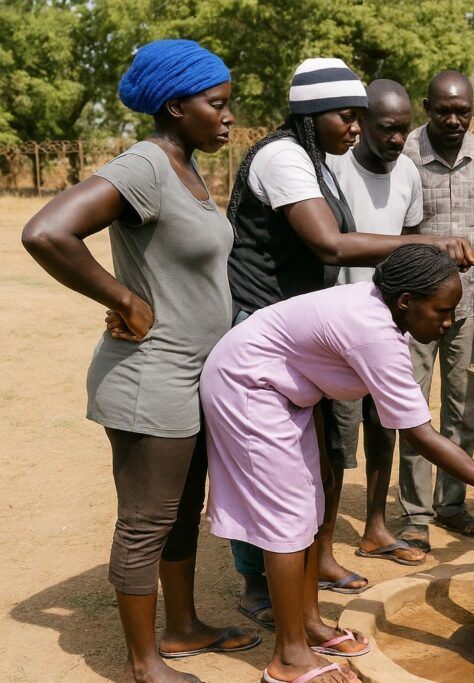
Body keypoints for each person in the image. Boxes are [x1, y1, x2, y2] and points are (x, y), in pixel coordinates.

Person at [201, 245, 474, 683]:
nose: (448, 322)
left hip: (286, 390)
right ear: (406, 301)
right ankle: (289, 658)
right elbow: (422, 435)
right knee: (287, 517)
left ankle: (310, 625)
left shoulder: (381, 311)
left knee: (313, 499)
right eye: (442, 311)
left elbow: (306, 361)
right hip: (247, 386)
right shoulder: (372, 332)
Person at [21, 39, 258, 683]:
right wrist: (124, 298)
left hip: (193, 376)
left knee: (181, 512)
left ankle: (182, 628)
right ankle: (144, 664)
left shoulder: (185, 168)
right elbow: (46, 232)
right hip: (151, 377)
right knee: (146, 523)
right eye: (217, 104)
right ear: (176, 107)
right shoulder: (146, 165)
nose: (229, 116)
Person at [225, 59, 472, 631]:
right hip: (264, 331)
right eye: (347, 116)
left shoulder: (316, 161)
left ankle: (305, 573)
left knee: (310, 469)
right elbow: (329, 245)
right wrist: (427, 244)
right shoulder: (283, 157)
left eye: (360, 117)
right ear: (311, 115)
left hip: (298, 334)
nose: (357, 129)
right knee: (271, 470)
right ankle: (258, 584)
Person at [321, 79, 427, 567]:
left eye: (404, 129)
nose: (398, 139)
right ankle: (322, 546)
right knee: (335, 442)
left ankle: (376, 529)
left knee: (385, 427)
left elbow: (408, 246)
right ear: (362, 124)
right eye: (387, 129)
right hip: (339, 331)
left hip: (388, 329)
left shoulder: (408, 173)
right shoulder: (334, 169)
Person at [398, 70, 474, 551]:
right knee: (411, 406)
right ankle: (415, 513)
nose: (454, 121)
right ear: (427, 106)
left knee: (462, 408)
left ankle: (451, 503)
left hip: (468, 304)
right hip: (415, 309)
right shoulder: (405, 155)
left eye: (463, 111)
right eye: (445, 111)